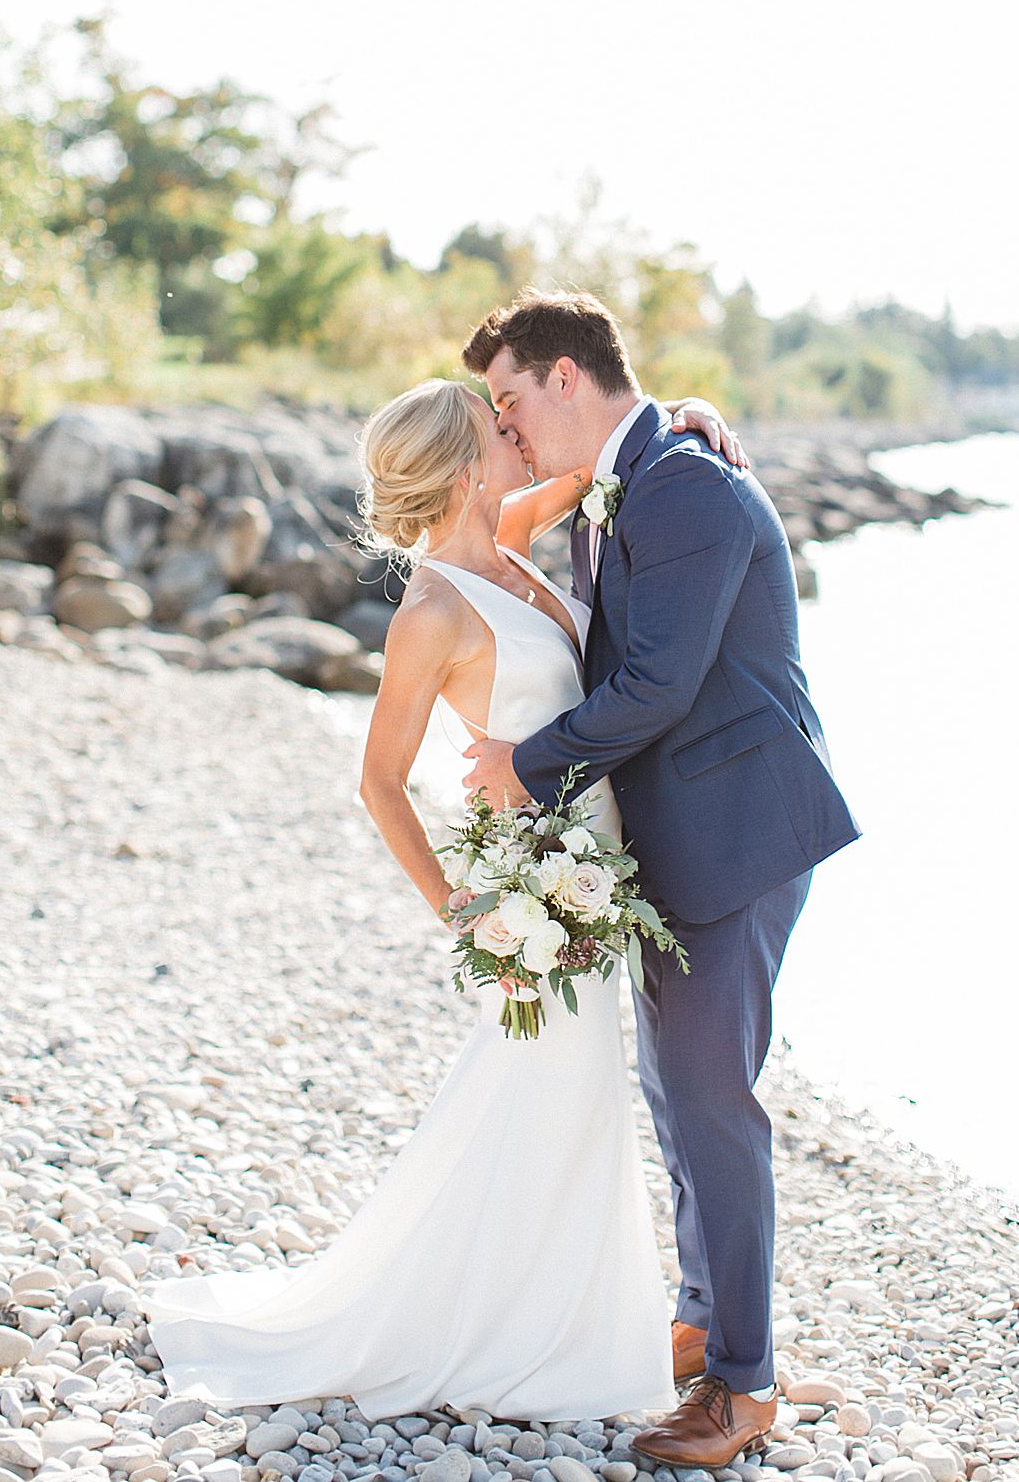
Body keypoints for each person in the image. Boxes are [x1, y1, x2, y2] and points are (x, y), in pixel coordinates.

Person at [137, 378, 743, 1423]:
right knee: (548, 1089)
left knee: (565, 1092)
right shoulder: (429, 612)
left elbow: (604, 464)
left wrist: (685, 411)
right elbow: (378, 781)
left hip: (594, 856)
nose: (517, 435)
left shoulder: (510, 531)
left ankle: (554, 1318)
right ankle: (522, 1334)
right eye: (498, 430)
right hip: (540, 886)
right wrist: (458, 907)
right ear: (467, 463)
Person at [459, 290, 861, 1469]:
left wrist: (521, 767)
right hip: (671, 837)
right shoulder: (627, 474)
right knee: (675, 1093)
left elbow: (657, 687)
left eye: (511, 395)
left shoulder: (681, 481)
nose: (508, 421)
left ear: (569, 377)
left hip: (735, 832)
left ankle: (743, 1387)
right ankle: (700, 1320)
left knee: (712, 1106)